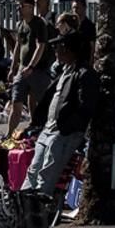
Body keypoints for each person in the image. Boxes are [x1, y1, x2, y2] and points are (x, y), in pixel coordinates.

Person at [24, 32, 95, 198]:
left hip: (63, 132)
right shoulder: (65, 71)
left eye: (60, 46)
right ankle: (24, 202)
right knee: (34, 170)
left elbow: (85, 108)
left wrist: (66, 127)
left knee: (46, 174)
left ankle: (39, 208)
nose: (56, 50)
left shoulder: (84, 73)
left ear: (70, 50)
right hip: (49, 128)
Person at [7, 0, 54, 137]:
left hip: (38, 71)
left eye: (22, 6)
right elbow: (18, 47)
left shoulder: (40, 24)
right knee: (16, 103)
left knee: (43, 104)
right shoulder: (21, 25)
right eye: (18, 6)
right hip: (22, 70)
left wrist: (32, 66)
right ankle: (9, 134)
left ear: (30, 7)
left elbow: (41, 46)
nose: (19, 9)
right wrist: (13, 67)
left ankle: (46, 131)